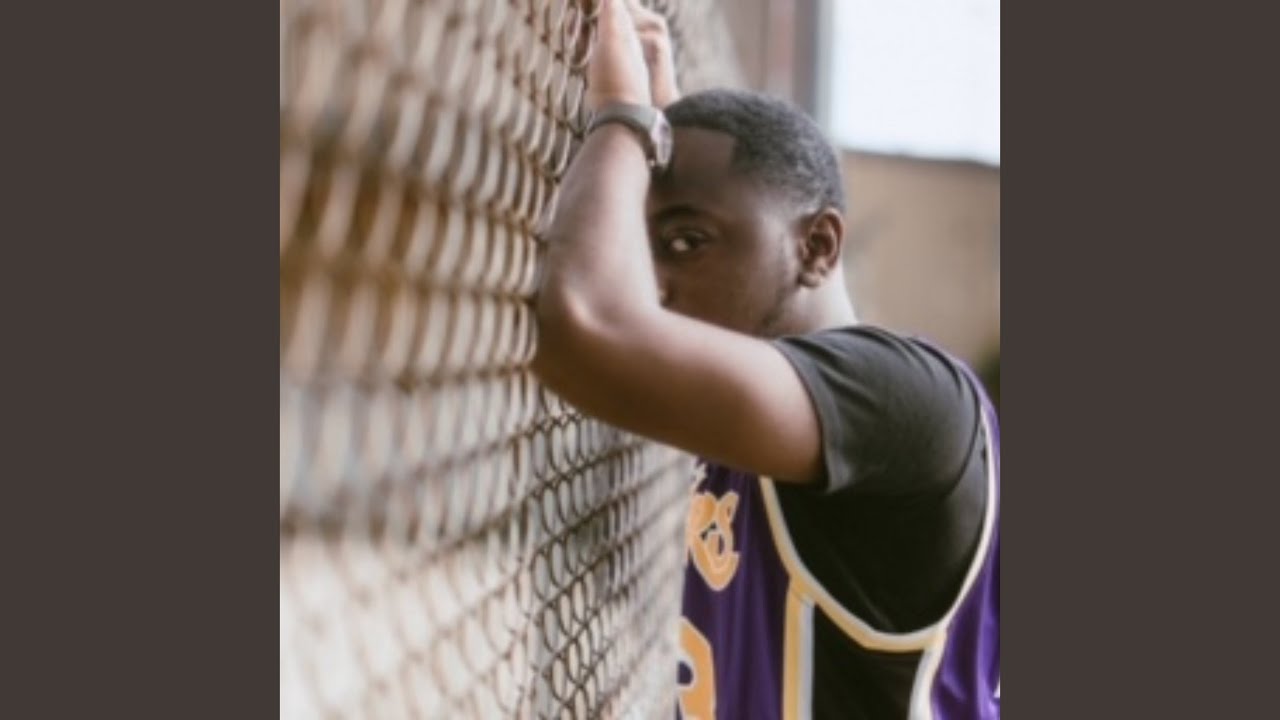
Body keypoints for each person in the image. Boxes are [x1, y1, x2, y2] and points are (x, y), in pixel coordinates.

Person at [531, 1, 999, 717]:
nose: (651, 282)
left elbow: (585, 327)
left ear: (818, 247)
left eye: (686, 243)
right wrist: (659, 123)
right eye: (645, 248)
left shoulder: (907, 402)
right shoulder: (781, 404)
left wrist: (621, 116)